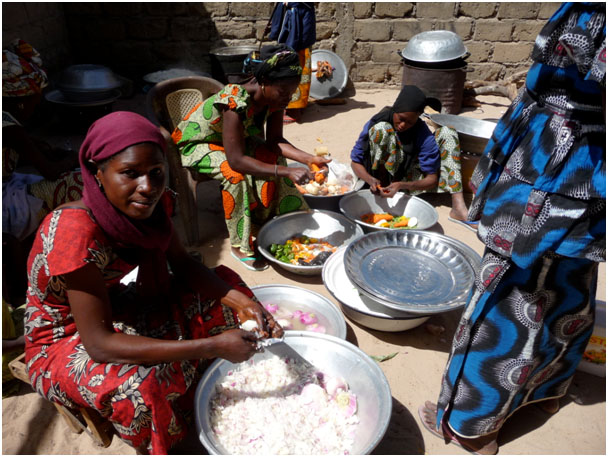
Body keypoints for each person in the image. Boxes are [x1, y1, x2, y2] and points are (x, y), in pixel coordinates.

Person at [23, 111, 283, 454]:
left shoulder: (153, 204)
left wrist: (244, 303)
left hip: (115, 305)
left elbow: (183, 265)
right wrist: (212, 345)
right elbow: (99, 344)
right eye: (129, 173)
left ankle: (201, 374)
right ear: (98, 173)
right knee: (145, 387)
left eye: (156, 173)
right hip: (64, 338)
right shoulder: (75, 234)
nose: (146, 187)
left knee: (223, 285)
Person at [419, 3, 605, 454]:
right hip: (586, 170)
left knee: (503, 295)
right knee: (568, 285)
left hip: (554, 166)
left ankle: (472, 422)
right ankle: (546, 392)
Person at [173, 44, 329, 271]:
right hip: (198, 143)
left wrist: (309, 159)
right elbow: (235, 160)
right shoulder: (234, 102)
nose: (288, 98)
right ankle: (240, 245)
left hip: (235, 140)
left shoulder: (275, 100)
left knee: (273, 158)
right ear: (264, 82)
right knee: (234, 174)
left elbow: (275, 141)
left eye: (292, 92)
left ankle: (271, 221)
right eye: (284, 91)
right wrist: (286, 171)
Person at [2, 38, 82, 307]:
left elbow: (38, 149)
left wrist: (50, 151)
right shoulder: (7, 126)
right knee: (72, 187)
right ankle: (28, 288)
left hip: (8, 183)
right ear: (20, 101)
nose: (36, 107)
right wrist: (73, 157)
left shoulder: (9, 123)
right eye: (34, 102)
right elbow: (49, 170)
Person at [350, 85, 473, 227]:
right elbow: (355, 161)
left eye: (410, 122)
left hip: (406, 181)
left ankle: (458, 207)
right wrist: (370, 180)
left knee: (447, 132)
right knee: (381, 129)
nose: (403, 125)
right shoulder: (377, 121)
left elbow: (431, 179)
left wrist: (402, 185)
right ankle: (381, 188)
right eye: (401, 119)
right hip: (376, 180)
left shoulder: (421, 132)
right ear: (395, 109)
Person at [268, 2, 316, 124]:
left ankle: (294, 110)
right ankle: (294, 106)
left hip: (300, 26)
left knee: (296, 66)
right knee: (292, 63)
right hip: (294, 23)